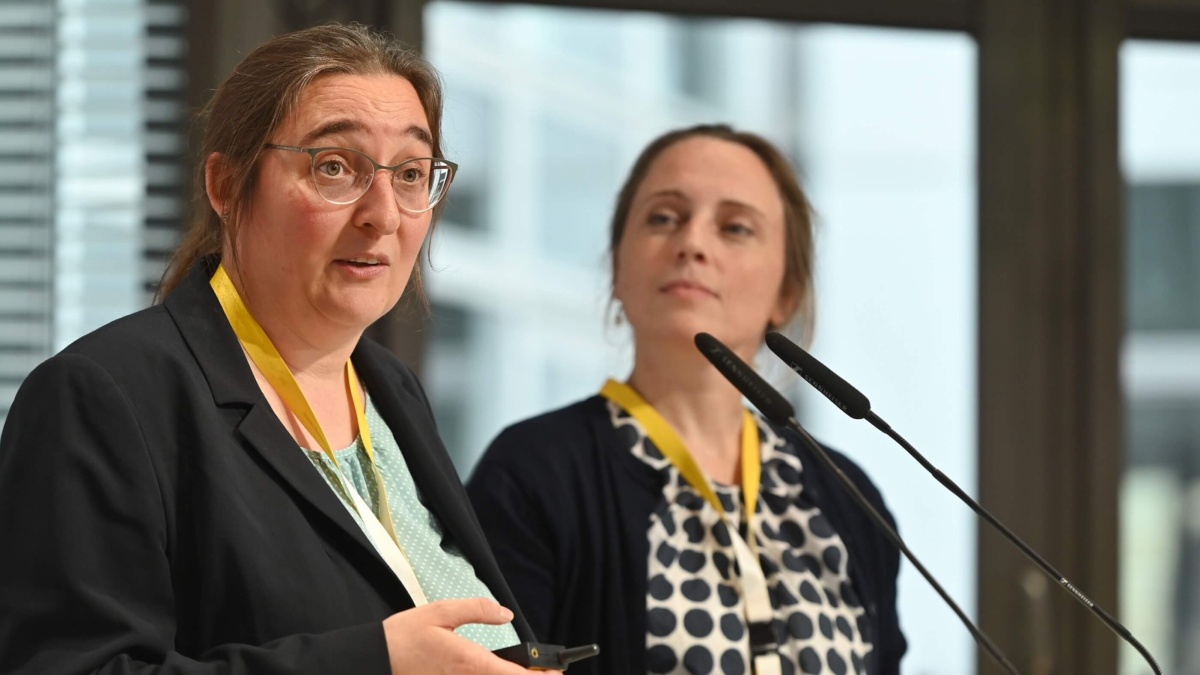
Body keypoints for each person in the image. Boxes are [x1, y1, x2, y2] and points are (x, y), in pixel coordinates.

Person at [0, 23, 540, 675]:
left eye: (410, 173)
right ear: (226, 187)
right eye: (334, 166)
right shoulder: (104, 395)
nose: (384, 213)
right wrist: (374, 662)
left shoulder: (390, 388)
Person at [467, 124, 906, 674]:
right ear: (618, 267)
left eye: (735, 227)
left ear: (785, 292)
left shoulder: (849, 499)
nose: (692, 243)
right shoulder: (533, 472)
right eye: (663, 218)